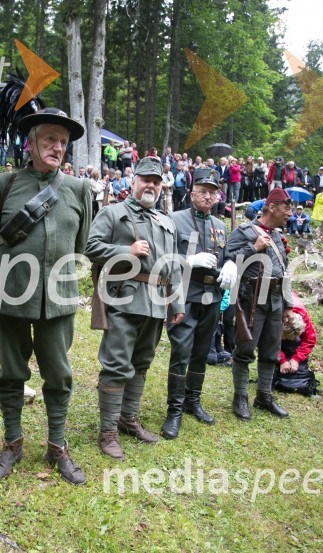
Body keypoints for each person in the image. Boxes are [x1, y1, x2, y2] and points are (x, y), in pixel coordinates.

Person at [0, 106, 92, 485]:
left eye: (63, 142)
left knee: (58, 374)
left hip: (58, 297)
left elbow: (80, 247)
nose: (57, 147)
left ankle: (57, 446)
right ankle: (12, 443)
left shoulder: (79, 189)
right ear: (30, 143)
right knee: (10, 371)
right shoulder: (3, 185)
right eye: (49, 139)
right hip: (9, 293)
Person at [86, 156, 185, 459]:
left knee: (141, 363)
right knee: (117, 364)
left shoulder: (166, 221)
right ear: (133, 181)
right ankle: (108, 432)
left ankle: (128, 419)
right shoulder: (113, 213)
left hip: (156, 302)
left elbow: (173, 265)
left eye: (156, 182)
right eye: (145, 180)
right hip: (124, 299)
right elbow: (91, 247)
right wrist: (125, 250)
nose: (150, 186)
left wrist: (177, 302)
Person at [161, 168, 237, 439]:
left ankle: (192, 400)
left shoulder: (220, 226)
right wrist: (187, 260)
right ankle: (174, 409)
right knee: (181, 351)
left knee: (202, 351)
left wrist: (230, 264)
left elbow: (226, 255)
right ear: (192, 194)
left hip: (211, 296)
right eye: (203, 191)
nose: (207, 196)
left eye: (212, 192)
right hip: (184, 295)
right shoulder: (174, 220)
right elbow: (163, 256)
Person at [226, 187, 294, 421]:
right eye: (286, 208)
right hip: (251, 299)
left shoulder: (277, 236)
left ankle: (264, 395)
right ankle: (240, 397)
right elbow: (227, 260)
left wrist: (287, 304)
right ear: (271, 208)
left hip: (274, 299)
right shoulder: (244, 231)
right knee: (245, 349)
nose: (290, 214)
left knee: (271, 350)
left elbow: (284, 271)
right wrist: (253, 248)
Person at [273, 295, 318, 394]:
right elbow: (268, 341)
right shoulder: (273, 317)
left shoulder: (303, 318)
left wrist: (296, 359)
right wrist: (282, 360)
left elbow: (310, 339)